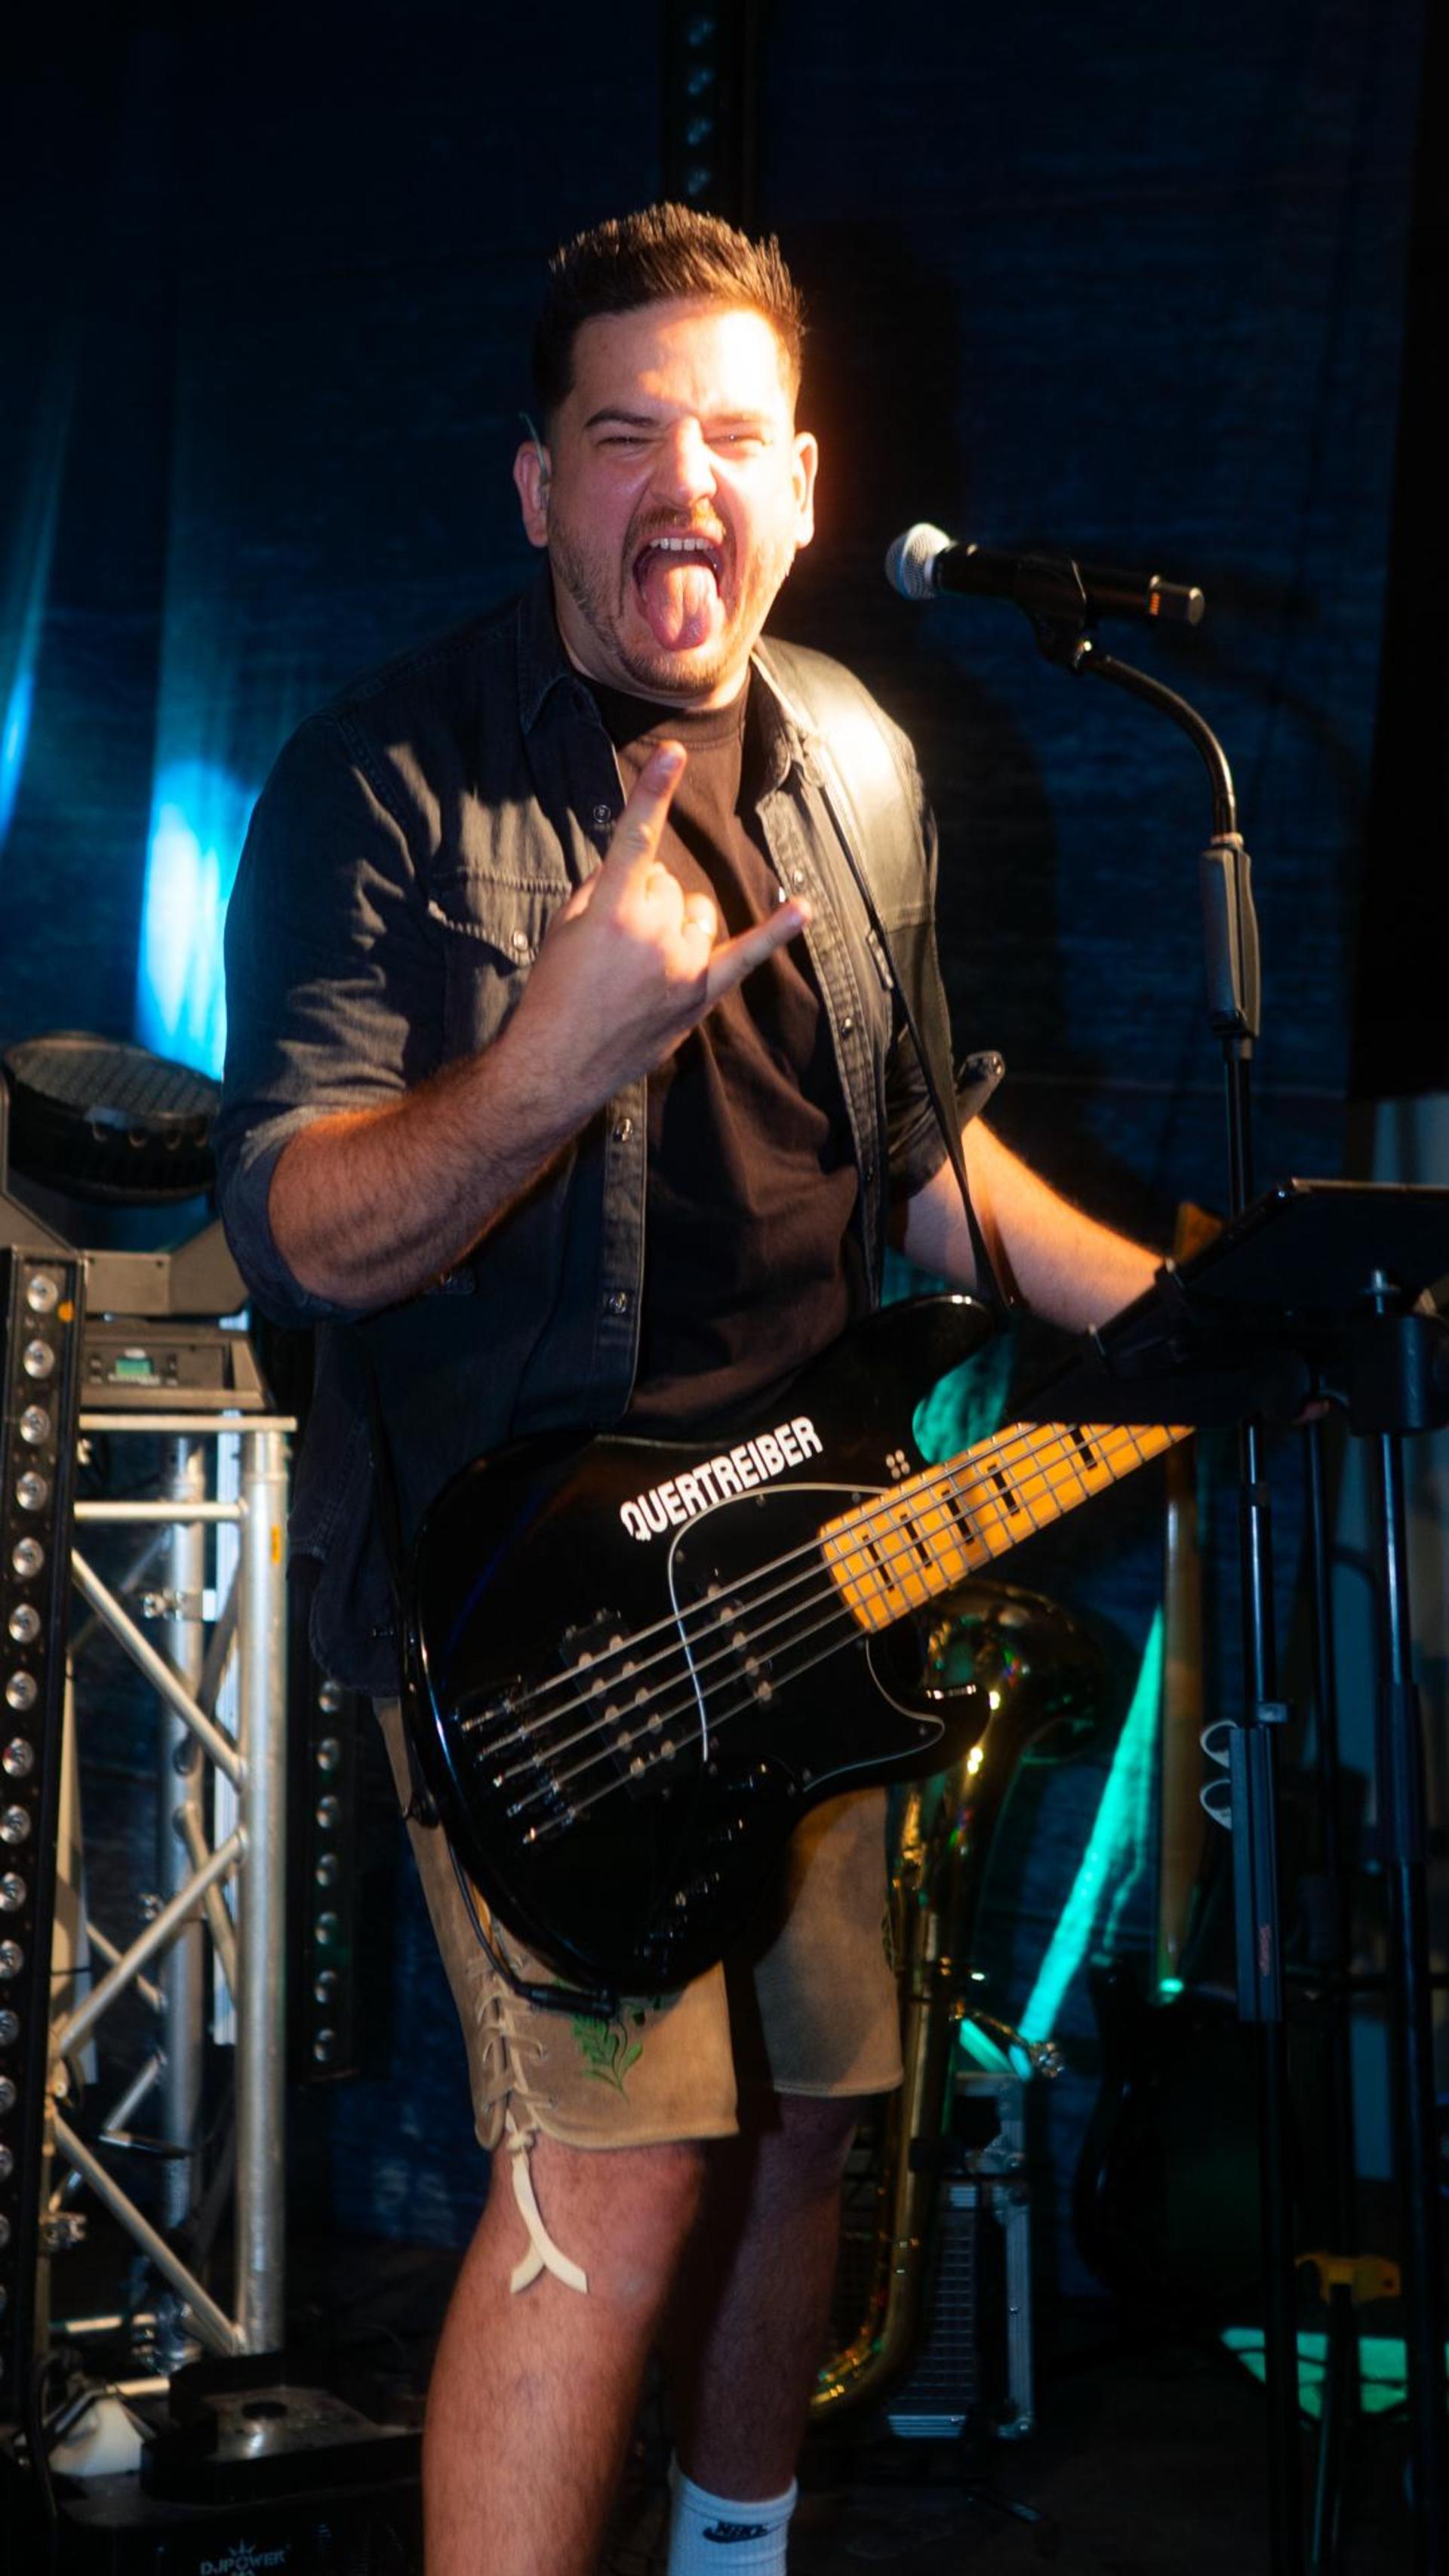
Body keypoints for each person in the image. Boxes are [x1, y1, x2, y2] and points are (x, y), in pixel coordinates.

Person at [216, 205, 1158, 2576]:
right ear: (540, 486)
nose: (685, 480)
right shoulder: (383, 778)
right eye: (626, 432)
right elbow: (301, 1232)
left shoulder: (860, 763)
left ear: (807, 485)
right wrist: (556, 1059)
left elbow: (919, 1163)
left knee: (806, 2131)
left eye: (734, 432)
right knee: (615, 2168)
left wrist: (1174, 1315)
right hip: (524, 1595)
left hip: (811, 1556)